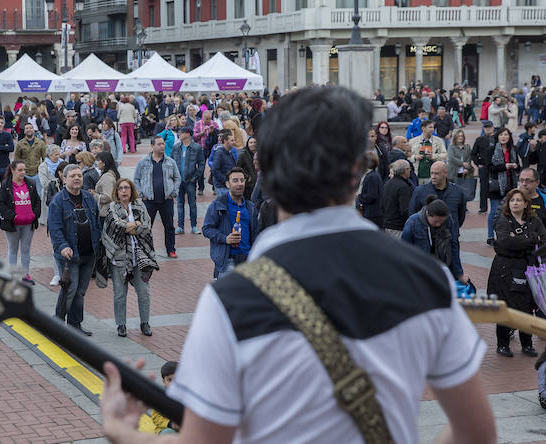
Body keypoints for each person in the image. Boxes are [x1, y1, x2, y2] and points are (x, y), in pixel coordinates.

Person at [100, 86, 496, 444]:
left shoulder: (231, 301)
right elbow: (476, 433)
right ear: (358, 170)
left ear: (266, 173)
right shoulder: (425, 278)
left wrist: (124, 431)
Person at [489, 188, 546, 358]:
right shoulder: (502, 220)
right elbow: (505, 242)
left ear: (526, 203)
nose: (515, 203)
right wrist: (531, 239)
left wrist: (519, 239)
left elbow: (545, 240)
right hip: (504, 269)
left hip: (527, 268)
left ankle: (527, 344)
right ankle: (502, 344)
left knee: (526, 307)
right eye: (512, 200)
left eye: (519, 200)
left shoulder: (534, 221)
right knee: (505, 307)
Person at [48, 164, 100, 336]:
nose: (77, 178)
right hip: (70, 256)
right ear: (64, 179)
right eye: (72, 176)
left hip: (89, 253)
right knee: (70, 289)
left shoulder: (88, 198)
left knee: (80, 291)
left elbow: (97, 223)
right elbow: (55, 229)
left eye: (79, 175)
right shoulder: (58, 201)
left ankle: (75, 325)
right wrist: (63, 246)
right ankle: (57, 325)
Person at [102, 177, 158, 337]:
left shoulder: (140, 206)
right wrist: (135, 225)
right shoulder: (113, 207)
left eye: (127, 188)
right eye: (120, 188)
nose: (124, 191)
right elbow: (115, 226)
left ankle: (145, 323)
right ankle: (121, 324)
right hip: (119, 258)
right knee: (120, 293)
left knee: (144, 292)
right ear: (117, 192)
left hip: (140, 257)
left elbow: (147, 226)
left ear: (131, 190)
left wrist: (132, 226)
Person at [202, 166, 258, 278]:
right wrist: (225, 238)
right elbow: (207, 229)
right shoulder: (218, 205)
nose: (239, 184)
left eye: (242, 180)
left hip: (247, 260)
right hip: (228, 261)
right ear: (227, 184)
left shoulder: (250, 207)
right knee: (227, 295)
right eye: (235, 180)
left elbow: (256, 233)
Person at [134, 136, 181, 258]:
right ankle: (146, 250)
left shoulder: (170, 162)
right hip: (149, 200)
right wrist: (141, 194)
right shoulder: (143, 162)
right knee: (146, 227)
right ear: (152, 146)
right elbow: (136, 179)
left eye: (163, 144)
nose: (162, 146)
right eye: (159, 144)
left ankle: (171, 249)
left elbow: (177, 178)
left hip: (166, 200)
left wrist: (173, 192)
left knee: (169, 226)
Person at [0, 160, 41, 283]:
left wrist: (34, 214)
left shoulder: (30, 183)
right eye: (20, 170)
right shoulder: (6, 185)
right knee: (13, 249)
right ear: (12, 170)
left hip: (28, 223)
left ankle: (25, 275)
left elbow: (37, 201)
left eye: (24, 170)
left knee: (26, 250)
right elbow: (0, 203)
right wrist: (13, 216)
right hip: (13, 224)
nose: (23, 172)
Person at [408, 161, 466, 236]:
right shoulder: (420, 191)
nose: (433, 176)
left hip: (450, 235)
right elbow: (412, 212)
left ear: (445, 173)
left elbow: (461, 214)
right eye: (431, 173)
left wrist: (454, 227)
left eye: (436, 173)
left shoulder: (457, 191)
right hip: (427, 236)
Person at [486, 128, 522, 245]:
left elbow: (519, 166)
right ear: (497, 136)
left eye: (506, 134)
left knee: (509, 211)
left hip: (511, 183)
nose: (503, 137)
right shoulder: (492, 149)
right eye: (501, 134)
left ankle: (505, 235)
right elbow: (489, 167)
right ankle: (491, 236)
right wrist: (504, 166)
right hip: (497, 184)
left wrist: (515, 166)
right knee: (495, 211)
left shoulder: (513, 149)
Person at [171, 128, 205, 235]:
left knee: (192, 204)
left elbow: (202, 164)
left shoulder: (196, 148)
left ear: (188, 134)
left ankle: (194, 226)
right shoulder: (176, 147)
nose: (179, 134)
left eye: (182, 133)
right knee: (179, 204)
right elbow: (171, 161)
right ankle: (180, 227)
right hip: (178, 180)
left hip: (190, 180)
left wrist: (195, 177)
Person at [517, 168, 546, 241]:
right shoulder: (510, 199)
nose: (524, 184)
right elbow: (498, 222)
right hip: (515, 248)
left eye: (528, 180)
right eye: (521, 180)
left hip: (542, 249)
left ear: (537, 182)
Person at [408, 120, 448, 185]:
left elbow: (445, 156)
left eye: (433, 127)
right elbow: (407, 156)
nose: (432, 129)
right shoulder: (413, 141)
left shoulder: (439, 141)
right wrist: (415, 157)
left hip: (433, 177)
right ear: (423, 128)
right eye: (430, 127)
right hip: (417, 176)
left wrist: (433, 156)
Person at [382, 159, 414, 238]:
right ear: (404, 171)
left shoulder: (388, 183)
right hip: (398, 227)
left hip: (387, 225)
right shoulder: (403, 187)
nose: (410, 171)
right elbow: (405, 210)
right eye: (409, 169)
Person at [14, 123, 49, 193]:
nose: (29, 130)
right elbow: (16, 160)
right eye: (27, 128)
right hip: (24, 174)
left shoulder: (40, 143)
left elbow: (45, 158)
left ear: (33, 130)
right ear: (24, 131)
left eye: (30, 128)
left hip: (37, 173)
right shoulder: (20, 143)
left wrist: (43, 172)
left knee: (39, 195)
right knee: (24, 194)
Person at [471, 120, 496, 214]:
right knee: (483, 188)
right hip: (484, 167)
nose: (488, 129)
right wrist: (478, 164)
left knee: (497, 186)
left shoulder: (497, 139)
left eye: (489, 127)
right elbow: (473, 154)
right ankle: (483, 207)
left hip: (495, 167)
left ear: (493, 127)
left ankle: (497, 206)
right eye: (486, 127)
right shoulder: (479, 140)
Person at [92, 151, 121, 226]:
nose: (96, 163)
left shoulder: (107, 177)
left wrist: (94, 194)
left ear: (104, 163)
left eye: (98, 160)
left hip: (105, 213)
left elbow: (108, 197)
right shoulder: (111, 174)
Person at [356, 151, 384, 228]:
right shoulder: (371, 174)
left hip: (372, 214)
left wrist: (359, 196)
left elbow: (372, 196)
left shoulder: (372, 176)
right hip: (372, 213)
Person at [210, 131, 239, 197]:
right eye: (232, 140)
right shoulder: (219, 153)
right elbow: (215, 170)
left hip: (228, 185)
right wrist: (226, 180)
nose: (234, 142)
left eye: (234, 140)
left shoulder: (230, 152)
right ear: (225, 141)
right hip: (222, 187)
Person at [235, 136, 258, 201]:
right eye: (251, 142)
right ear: (248, 144)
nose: (253, 144)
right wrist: (247, 177)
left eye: (254, 142)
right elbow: (238, 168)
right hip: (249, 185)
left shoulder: (259, 153)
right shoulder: (243, 154)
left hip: (257, 182)